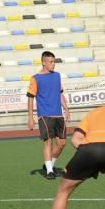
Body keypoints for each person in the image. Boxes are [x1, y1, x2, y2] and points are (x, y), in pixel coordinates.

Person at [26, 51, 70, 180]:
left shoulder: (57, 76)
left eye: (54, 61)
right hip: (44, 115)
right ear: (43, 62)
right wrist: (30, 117)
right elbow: (30, 98)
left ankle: (49, 165)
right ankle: (50, 171)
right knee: (48, 142)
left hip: (58, 114)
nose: (53, 64)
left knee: (62, 143)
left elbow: (59, 94)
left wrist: (66, 109)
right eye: (51, 62)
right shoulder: (35, 78)